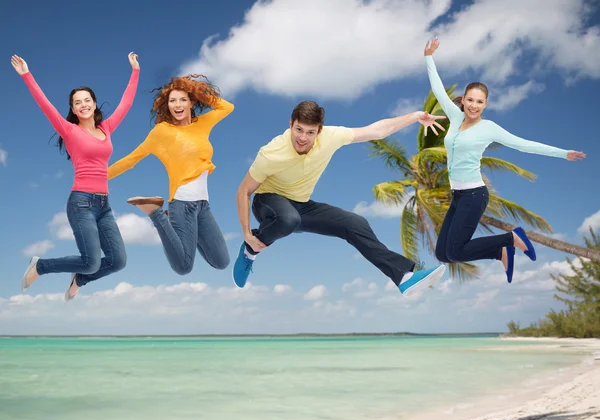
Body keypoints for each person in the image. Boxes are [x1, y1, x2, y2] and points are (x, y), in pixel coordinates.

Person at [233, 101, 447, 297]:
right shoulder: (271, 153)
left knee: (355, 224)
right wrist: (246, 234)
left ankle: (403, 276)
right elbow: (244, 192)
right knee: (289, 219)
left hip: (301, 205)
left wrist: (416, 116)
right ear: (291, 124)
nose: (302, 138)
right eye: (298, 129)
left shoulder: (331, 137)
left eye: (310, 132)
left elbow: (376, 130)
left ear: (319, 131)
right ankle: (250, 250)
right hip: (267, 202)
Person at [424, 38, 586, 282]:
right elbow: (438, 90)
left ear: (485, 104)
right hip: (458, 196)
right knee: (444, 254)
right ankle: (500, 251)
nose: (473, 105)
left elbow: (524, 145)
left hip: (474, 195)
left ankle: (510, 238)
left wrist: (563, 153)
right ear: (464, 100)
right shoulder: (456, 118)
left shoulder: (489, 128)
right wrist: (428, 57)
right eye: (470, 100)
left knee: (456, 250)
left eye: (479, 102)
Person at [13, 52, 140, 301]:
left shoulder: (106, 128)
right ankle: (40, 266)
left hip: (104, 205)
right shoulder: (69, 130)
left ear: (94, 103)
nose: (83, 105)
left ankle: (79, 279)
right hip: (81, 203)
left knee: (118, 261)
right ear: (73, 109)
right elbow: (45, 105)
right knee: (91, 261)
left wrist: (135, 71)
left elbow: (126, 104)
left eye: (87, 100)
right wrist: (27, 75)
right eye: (77, 102)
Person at [107, 75, 233, 275]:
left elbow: (227, 107)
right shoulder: (162, 132)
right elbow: (131, 159)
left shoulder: (202, 124)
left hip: (203, 205)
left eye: (183, 99)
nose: (178, 105)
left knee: (221, 262)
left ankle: (172, 224)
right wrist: (99, 176)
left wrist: (199, 92)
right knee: (183, 267)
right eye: (172, 100)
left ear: (191, 102)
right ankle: (156, 213)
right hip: (182, 204)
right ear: (167, 105)